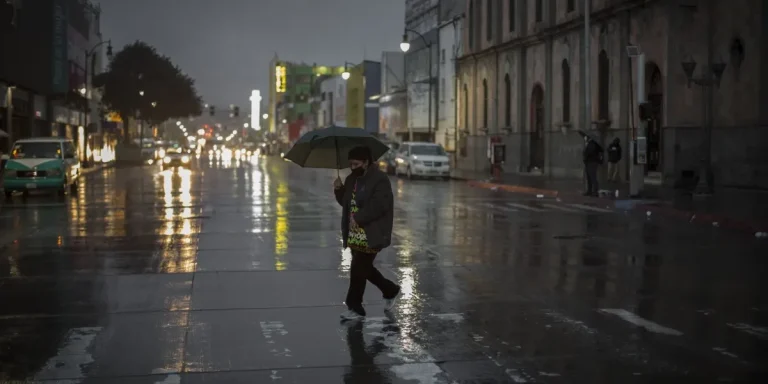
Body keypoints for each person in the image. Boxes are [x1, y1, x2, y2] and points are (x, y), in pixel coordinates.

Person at [334, 146, 400, 321]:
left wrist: (360, 218)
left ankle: (355, 308)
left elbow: (380, 205)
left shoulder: (380, 179)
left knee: (357, 269)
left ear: (366, 162)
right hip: (355, 233)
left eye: (356, 163)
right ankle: (390, 290)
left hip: (372, 232)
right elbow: (346, 203)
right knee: (364, 268)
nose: (353, 167)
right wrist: (339, 190)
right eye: (350, 164)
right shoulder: (351, 179)